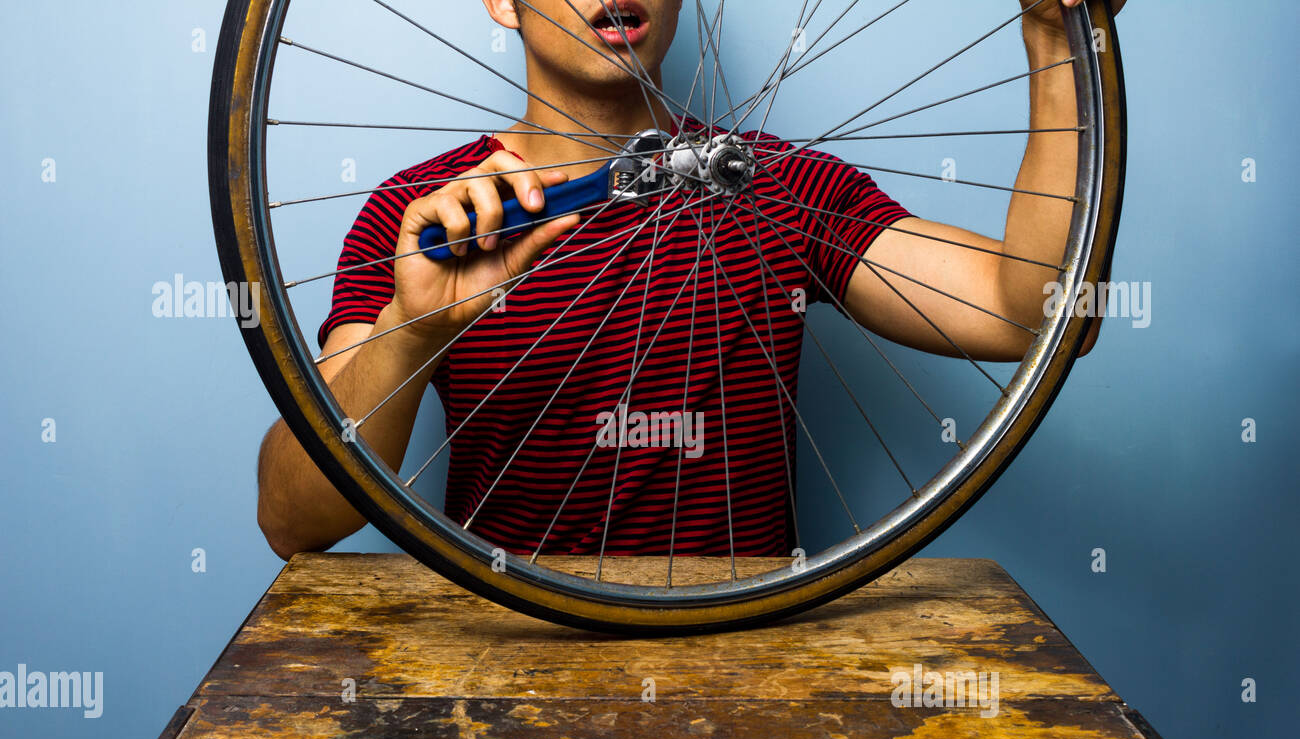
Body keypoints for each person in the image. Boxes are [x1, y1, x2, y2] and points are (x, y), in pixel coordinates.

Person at [256, 0, 1117, 561]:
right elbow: (293, 521)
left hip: (749, 667)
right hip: (507, 658)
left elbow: (1034, 314)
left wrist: (1052, 37)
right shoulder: (425, 218)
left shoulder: (782, 187)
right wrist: (413, 332)